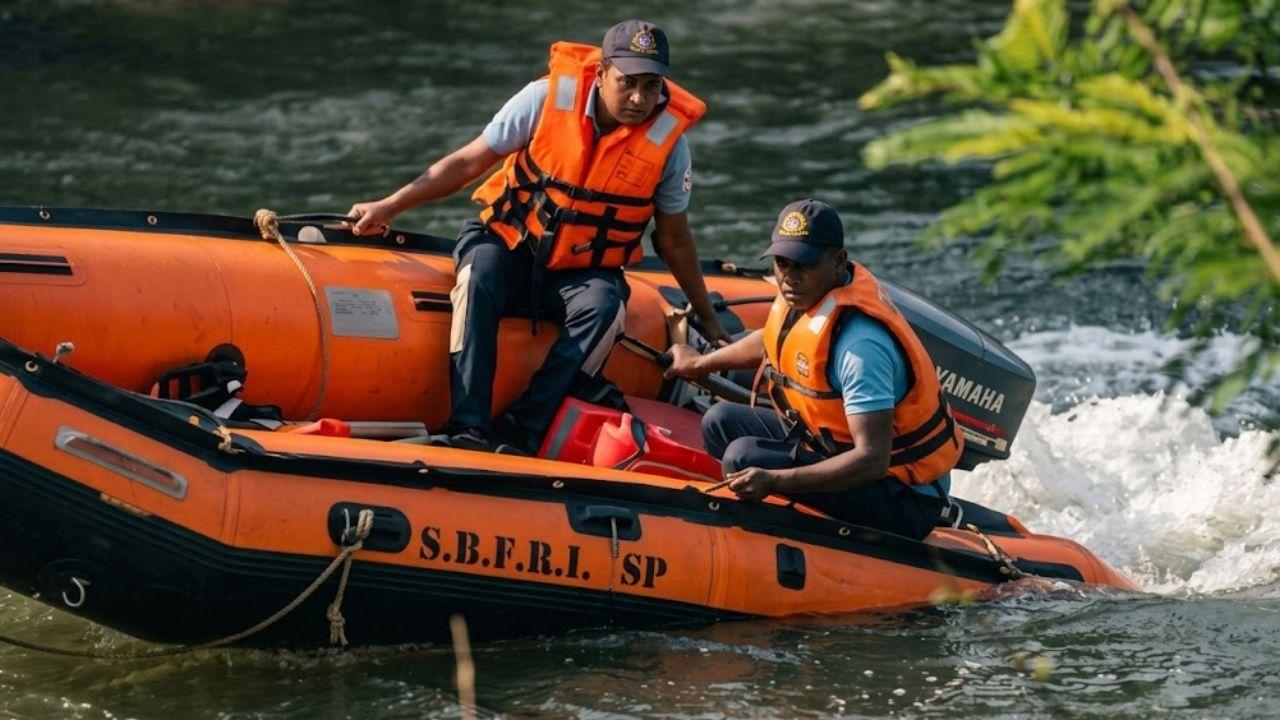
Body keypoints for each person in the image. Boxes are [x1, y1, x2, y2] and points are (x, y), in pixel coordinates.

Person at [348, 20, 730, 453]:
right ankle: (467, 427)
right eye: (627, 83)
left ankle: (524, 430)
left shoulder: (670, 145)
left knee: (604, 306)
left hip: (583, 271)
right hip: (508, 245)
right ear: (602, 74)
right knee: (476, 281)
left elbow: (674, 240)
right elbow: (466, 164)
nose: (640, 99)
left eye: (651, 85)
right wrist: (388, 206)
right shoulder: (545, 98)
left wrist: (709, 318)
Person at [665, 200, 963, 540]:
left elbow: (872, 460)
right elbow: (773, 339)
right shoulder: (807, 294)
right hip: (832, 445)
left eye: (804, 264)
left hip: (900, 496)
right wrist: (700, 363)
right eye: (782, 263)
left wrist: (775, 480)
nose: (789, 277)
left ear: (838, 261)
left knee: (742, 457)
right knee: (719, 423)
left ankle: (783, 536)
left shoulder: (861, 348)